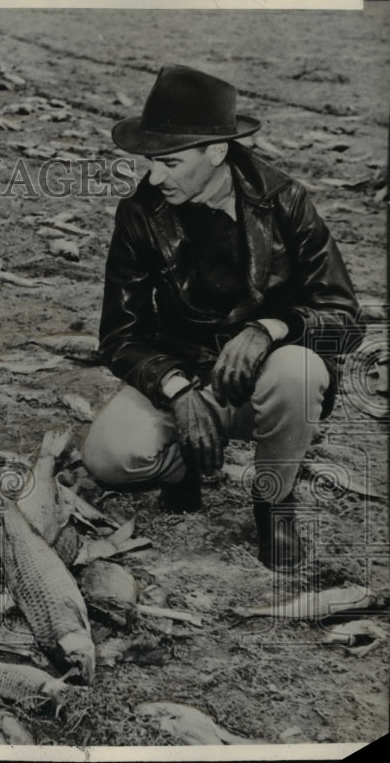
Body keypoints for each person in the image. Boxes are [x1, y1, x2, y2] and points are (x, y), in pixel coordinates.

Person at [81, 64, 361, 571]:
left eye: (169, 162)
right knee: (108, 458)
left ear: (216, 152)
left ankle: (274, 504)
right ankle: (185, 464)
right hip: (186, 376)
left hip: (268, 385)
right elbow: (121, 335)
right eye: (150, 162)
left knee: (298, 372)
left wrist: (269, 329)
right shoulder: (141, 214)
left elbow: (343, 316)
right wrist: (176, 389)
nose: (154, 176)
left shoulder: (285, 202)